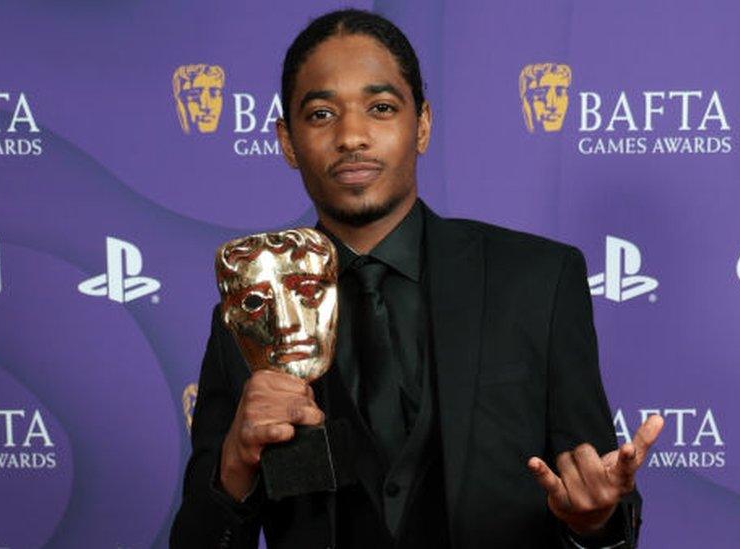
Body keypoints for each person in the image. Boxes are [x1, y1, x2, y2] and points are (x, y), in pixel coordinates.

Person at [171, 9, 664, 548]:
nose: (352, 136)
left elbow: (595, 488)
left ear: (422, 125)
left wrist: (593, 520)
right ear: (287, 142)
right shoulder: (250, 315)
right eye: (320, 115)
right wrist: (236, 466)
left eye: (380, 108)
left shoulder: (539, 281)